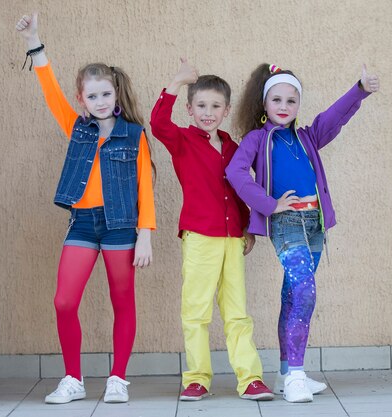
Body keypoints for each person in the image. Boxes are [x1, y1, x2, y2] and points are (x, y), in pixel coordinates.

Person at [15, 13, 156, 404]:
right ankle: (73, 379)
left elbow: (146, 184)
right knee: (64, 301)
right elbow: (50, 91)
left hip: (121, 227)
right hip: (83, 223)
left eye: (105, 94)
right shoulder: (76, 126)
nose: (99, 101)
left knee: (122, 299)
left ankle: (118, 378)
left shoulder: (133, 134)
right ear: (82, 99)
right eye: (91, 96)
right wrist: (34, 42)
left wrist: (145, 235)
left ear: (116, 94)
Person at [226, 63, 379, 402]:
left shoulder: (307, 137)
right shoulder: (257, 139)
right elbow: (235, 172)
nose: (284, 106)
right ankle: (296, 374)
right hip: (287, 224)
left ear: (298, 105)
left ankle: (286, 373)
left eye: (291, 101)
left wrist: (360, 89)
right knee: (306, 292)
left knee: (293, 295)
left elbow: (334, 117)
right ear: (264, 104)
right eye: (276, 99)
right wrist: (268, 204)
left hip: (315, 225)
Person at [150, 59, 274, 401]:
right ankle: (197, 378)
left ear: (226, 109)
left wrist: (248, 227)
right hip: (200, 237)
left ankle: (250, 379)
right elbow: (158, 123)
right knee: (196, 311)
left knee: (237, 311)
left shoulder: (233, 149)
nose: (208, 112)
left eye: (215, 106)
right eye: (201, 105)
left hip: (233, 239)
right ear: (190, 109)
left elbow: (238, 190)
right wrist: (176, 83)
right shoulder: (182, 141)